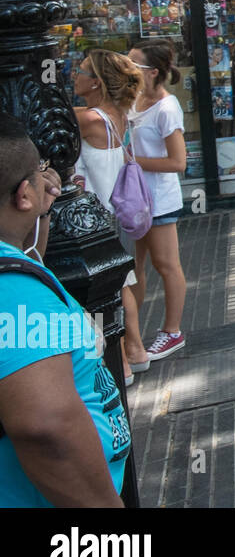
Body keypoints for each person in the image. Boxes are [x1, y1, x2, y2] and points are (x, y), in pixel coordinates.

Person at [0, 115, 129, 506]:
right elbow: (46, 426)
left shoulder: (15, 272)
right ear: (22, 194)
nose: (48, 179)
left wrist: (38, 212)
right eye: (39, 173)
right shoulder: (14, 292)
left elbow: (27, 254)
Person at [72, 50, 150, 382]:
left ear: (96, 83)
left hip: (93, 218)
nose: (74, 74)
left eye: (81, 70)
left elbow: (51, 113)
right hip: (109, 216)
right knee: (123, 284)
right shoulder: (114, 114)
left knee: (104, 293)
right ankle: (135, 350)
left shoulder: (90, 119)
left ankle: (121, 361)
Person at [127, 39, 188, 360]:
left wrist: (130, 160)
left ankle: (172, 331)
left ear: (152, 73)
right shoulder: (134, 100)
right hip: (133, 201)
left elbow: (178, 163)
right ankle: (131, 335)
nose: (126, 69)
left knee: (166, 265)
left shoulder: (167, 108)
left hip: (159, 202)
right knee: (133, 269)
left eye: (132, 66)